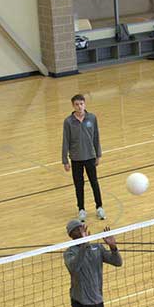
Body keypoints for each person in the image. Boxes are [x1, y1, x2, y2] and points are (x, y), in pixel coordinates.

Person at [62, 94, 105, 222]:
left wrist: (98, 154)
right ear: (73, 106)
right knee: (79, 185)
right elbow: (65, 140)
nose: (79, 106)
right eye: (76, 104)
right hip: (76, 159)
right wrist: (65, 160)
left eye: (81, 104)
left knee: (94, 183)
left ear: (84, 104)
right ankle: (81, 209)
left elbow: (96, 137)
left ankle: (99, 207)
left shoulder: (92, 118)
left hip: (90, 157)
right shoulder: (68, 121)